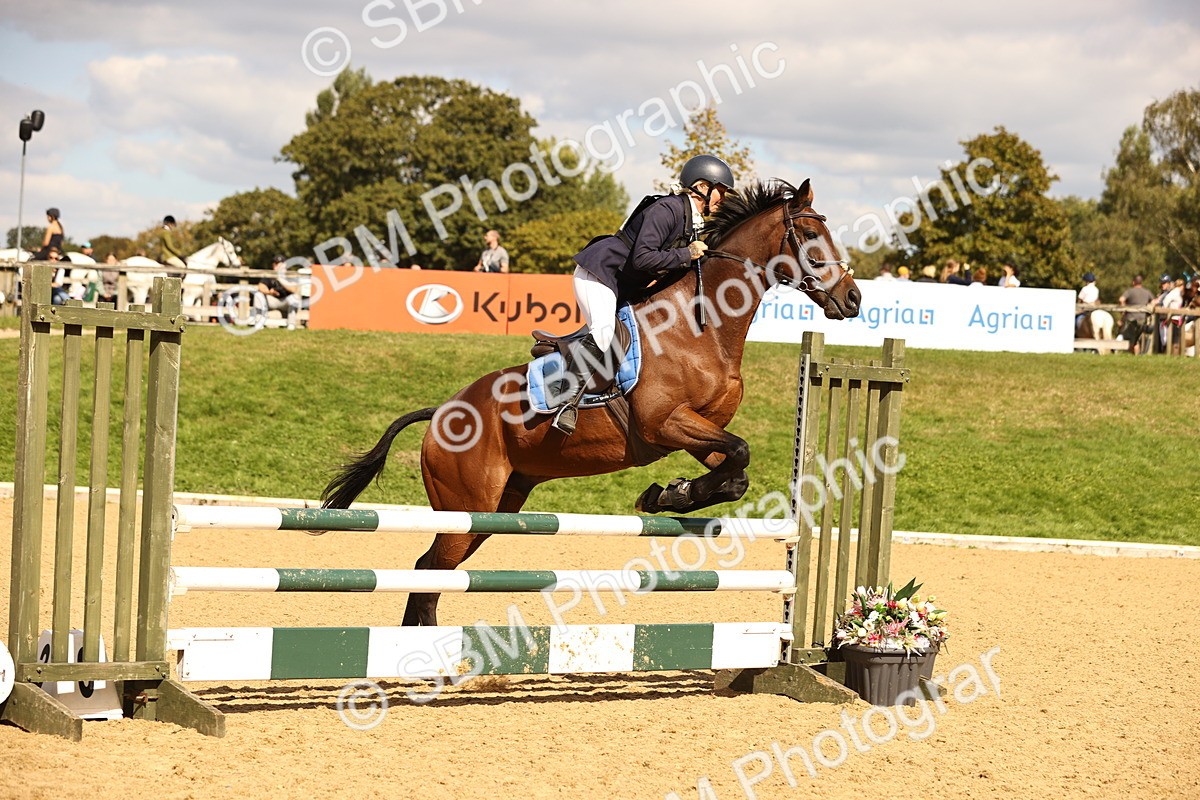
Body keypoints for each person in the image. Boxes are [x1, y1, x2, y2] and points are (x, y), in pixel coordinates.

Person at [557, 154, 733, 434]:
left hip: (622, 285)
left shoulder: (691, 220)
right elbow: (642, 258)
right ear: (701, 186)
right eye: (720, 191)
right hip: (599, 273)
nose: (722, 199)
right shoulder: (668, 209)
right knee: (603, 333)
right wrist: (686, 253)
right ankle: (564, 400)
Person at [258, 254, 303, 330]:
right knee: (258, 295)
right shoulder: (270, 275)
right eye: (275, 264)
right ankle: (259, 322)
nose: (277, 266)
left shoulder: (289, 276)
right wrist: (269, 292)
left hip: (285, 302)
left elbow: (294, 289)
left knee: (295, 297)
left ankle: (291, 324)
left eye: (279, 264)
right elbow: (261, 286)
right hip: (272, 301)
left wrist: (280, 279)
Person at [1118, 274, 1154, 354]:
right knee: (1137, 339)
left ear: (1134, 282)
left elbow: (1121, 299)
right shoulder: (1147, 292)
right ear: (1141, 283)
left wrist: (1123, 310)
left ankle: (1133, 356)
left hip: (1131, 319)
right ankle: (1136, 356)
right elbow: (1153, 302)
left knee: (1131, 340)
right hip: (1142, 319)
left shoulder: (1130, 291)